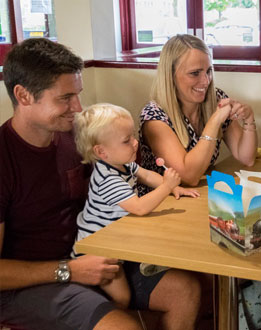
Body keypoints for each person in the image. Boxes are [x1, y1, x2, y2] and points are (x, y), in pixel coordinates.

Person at [0, 38, 201, 330]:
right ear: (24, 95)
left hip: (94, 257)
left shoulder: (76, 136)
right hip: (32, 284)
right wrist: (69, 270)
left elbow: (118, 182)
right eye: (64, 98)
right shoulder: (4, 158)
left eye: (77, 94)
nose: (77, 107)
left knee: (186, 290)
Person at [71, 103, 199, 309]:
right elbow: (139, 207)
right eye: (126, 140)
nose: (135, 143)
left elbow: (147, 175)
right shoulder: (107, 179)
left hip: (118, 241)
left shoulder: (122, 163)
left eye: (132, 136)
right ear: (101, 151)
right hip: (97, 252)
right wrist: (167, 186)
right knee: (123, 297)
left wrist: (176, 189)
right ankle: (115, 317)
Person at [138, 34, 258, 196]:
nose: (205, 81)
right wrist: (215, 121)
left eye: (208, 71)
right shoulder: (154, 117)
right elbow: (188, 177)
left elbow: (247, 158)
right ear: (170, 75)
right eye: (195, 73)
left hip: (198, 197)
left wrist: (249, 120)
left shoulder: (215, 99)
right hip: (161, 205)